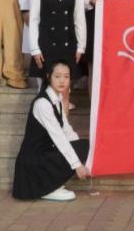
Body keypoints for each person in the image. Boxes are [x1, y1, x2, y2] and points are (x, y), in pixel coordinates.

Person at [12, 61, 90, 202]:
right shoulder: (42, 103)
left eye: (66, 77)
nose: (62, 81)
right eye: (57, 76)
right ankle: (46, 187)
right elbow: (58, 137)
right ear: (49, 77)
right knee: (77, 149)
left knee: (83, 145)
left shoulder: (57, 99)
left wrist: (81, 154)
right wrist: (77, 165)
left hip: (46, 153)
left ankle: (51, 183)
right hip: (34, 162)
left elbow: (67, 131)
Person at [27, 0, 87, 83]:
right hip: (46, 45)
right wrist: (35, 49)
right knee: (45, 86)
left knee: (65, 86)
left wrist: (81, 47)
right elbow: (34, 20)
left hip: (69, 44)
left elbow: (79, 20)